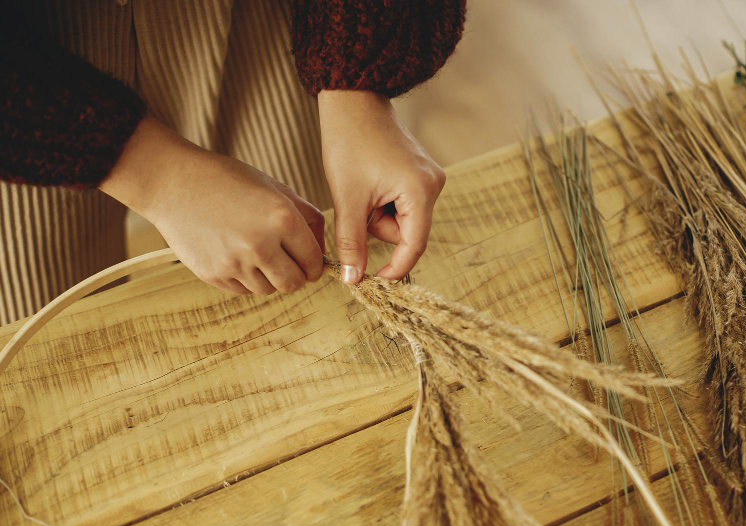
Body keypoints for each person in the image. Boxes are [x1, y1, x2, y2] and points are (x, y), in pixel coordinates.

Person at [0, 0, 466, 326]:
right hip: (21, 101)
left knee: (304, 265)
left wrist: (358, 78)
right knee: (45, 348)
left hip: (256, 25)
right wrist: (158, 178)